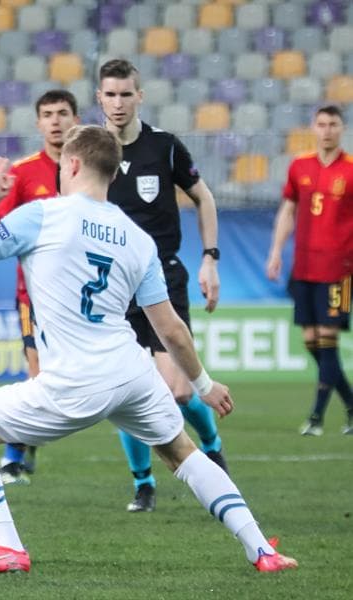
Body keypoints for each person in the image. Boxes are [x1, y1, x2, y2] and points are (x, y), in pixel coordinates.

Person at [0, 125, 298, 574]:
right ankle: (262, 548)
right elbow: (172, 329)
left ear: (70, 164)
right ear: (112, 173)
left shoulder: (42, 215)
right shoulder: (138, 239)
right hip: (131, 371)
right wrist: (203, 384)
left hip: (74, 381)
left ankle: (5, 544)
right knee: (183, 452)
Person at [97, 58, 227, 513]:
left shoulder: (165, 148)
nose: (118, 103)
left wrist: (210, 258)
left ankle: (211, 445)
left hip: (163, 275)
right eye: (110, 94)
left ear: (140, 96)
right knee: (126, 389)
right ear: (99, 98)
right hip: (113, 284)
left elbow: (203, 197)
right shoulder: (91, 154)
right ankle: (144, 482)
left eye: (125, 94)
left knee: (178, 392)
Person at [0, 90, 80, 485]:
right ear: (38, 123)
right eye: (47, 115)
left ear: (76, 118)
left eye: (62, 113)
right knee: (38, 375)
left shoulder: (89, 169)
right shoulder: (24, 174)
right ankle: (13, 455)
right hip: (34, 296)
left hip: (83, 295)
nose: (55, 121)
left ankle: (144, 475)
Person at [266, 104, 353, 436]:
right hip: (304, 265)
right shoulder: (299, 165)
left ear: (341, 128)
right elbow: (288, 209)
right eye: (321, 124)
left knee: (327, 338)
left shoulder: (351, 169)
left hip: (339, 268)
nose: (327, 130)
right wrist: (275, 251)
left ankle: (316, 417)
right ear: (313, 128)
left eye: (333, 124)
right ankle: (351, 404)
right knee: (311, 340)